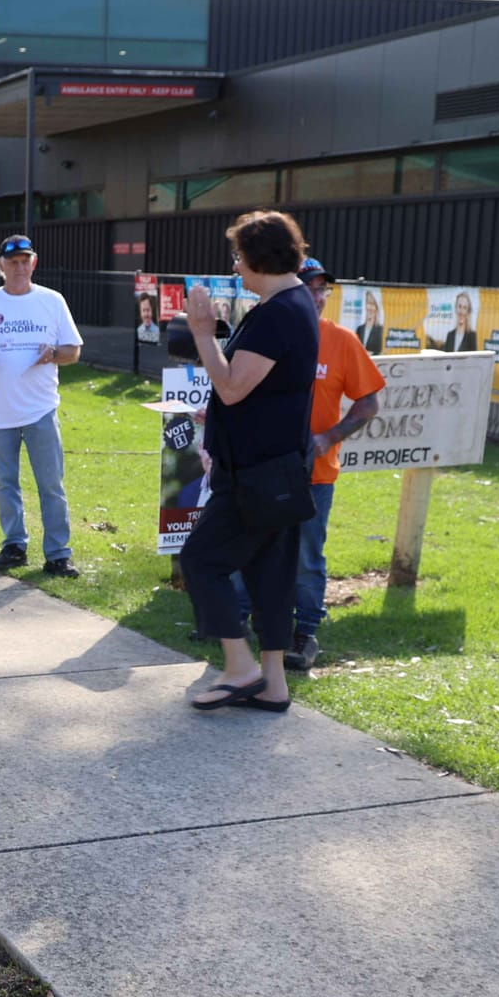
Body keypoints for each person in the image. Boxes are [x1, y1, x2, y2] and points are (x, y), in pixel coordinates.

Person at [179, 210, 322, 713]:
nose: (235, 266)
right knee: (269, 574)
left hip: (257, 474)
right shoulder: (290, 302)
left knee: (200, 560)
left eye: (239, 256)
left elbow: (235, 388)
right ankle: (274, 684)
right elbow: (253, 389)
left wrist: (201, 333)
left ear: (260, 258)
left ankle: (240, 669)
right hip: (277, 469)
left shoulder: (280, 311)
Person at [0, 235, 82, 577]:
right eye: (12, 262)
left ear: (34, 263)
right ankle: (14, 545)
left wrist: (54, 354)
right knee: (6, 484)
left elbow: (72, 351)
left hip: (40, 409)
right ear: (1, 265)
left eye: (24, 261)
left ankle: (58, 554)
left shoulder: (52, 301)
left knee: (51, 484)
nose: (19, 267)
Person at [285, 258, 385, 671]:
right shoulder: (270, 333)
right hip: (264, 466)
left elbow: (369, 402)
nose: (319, 296)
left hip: (315, 472)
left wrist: (328, 437)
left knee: (307, 554)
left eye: (323, 289)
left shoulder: (342, 341)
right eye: (310, 288)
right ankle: (238, 620)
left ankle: (305, 631)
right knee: (253, 545)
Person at [354, 289, 385, 355]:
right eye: (368, 303)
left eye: (372, 304)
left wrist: (371, 354)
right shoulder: (360, 329)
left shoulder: (380, 329)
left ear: (377, 307)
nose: (369, 307)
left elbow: (380, 352)